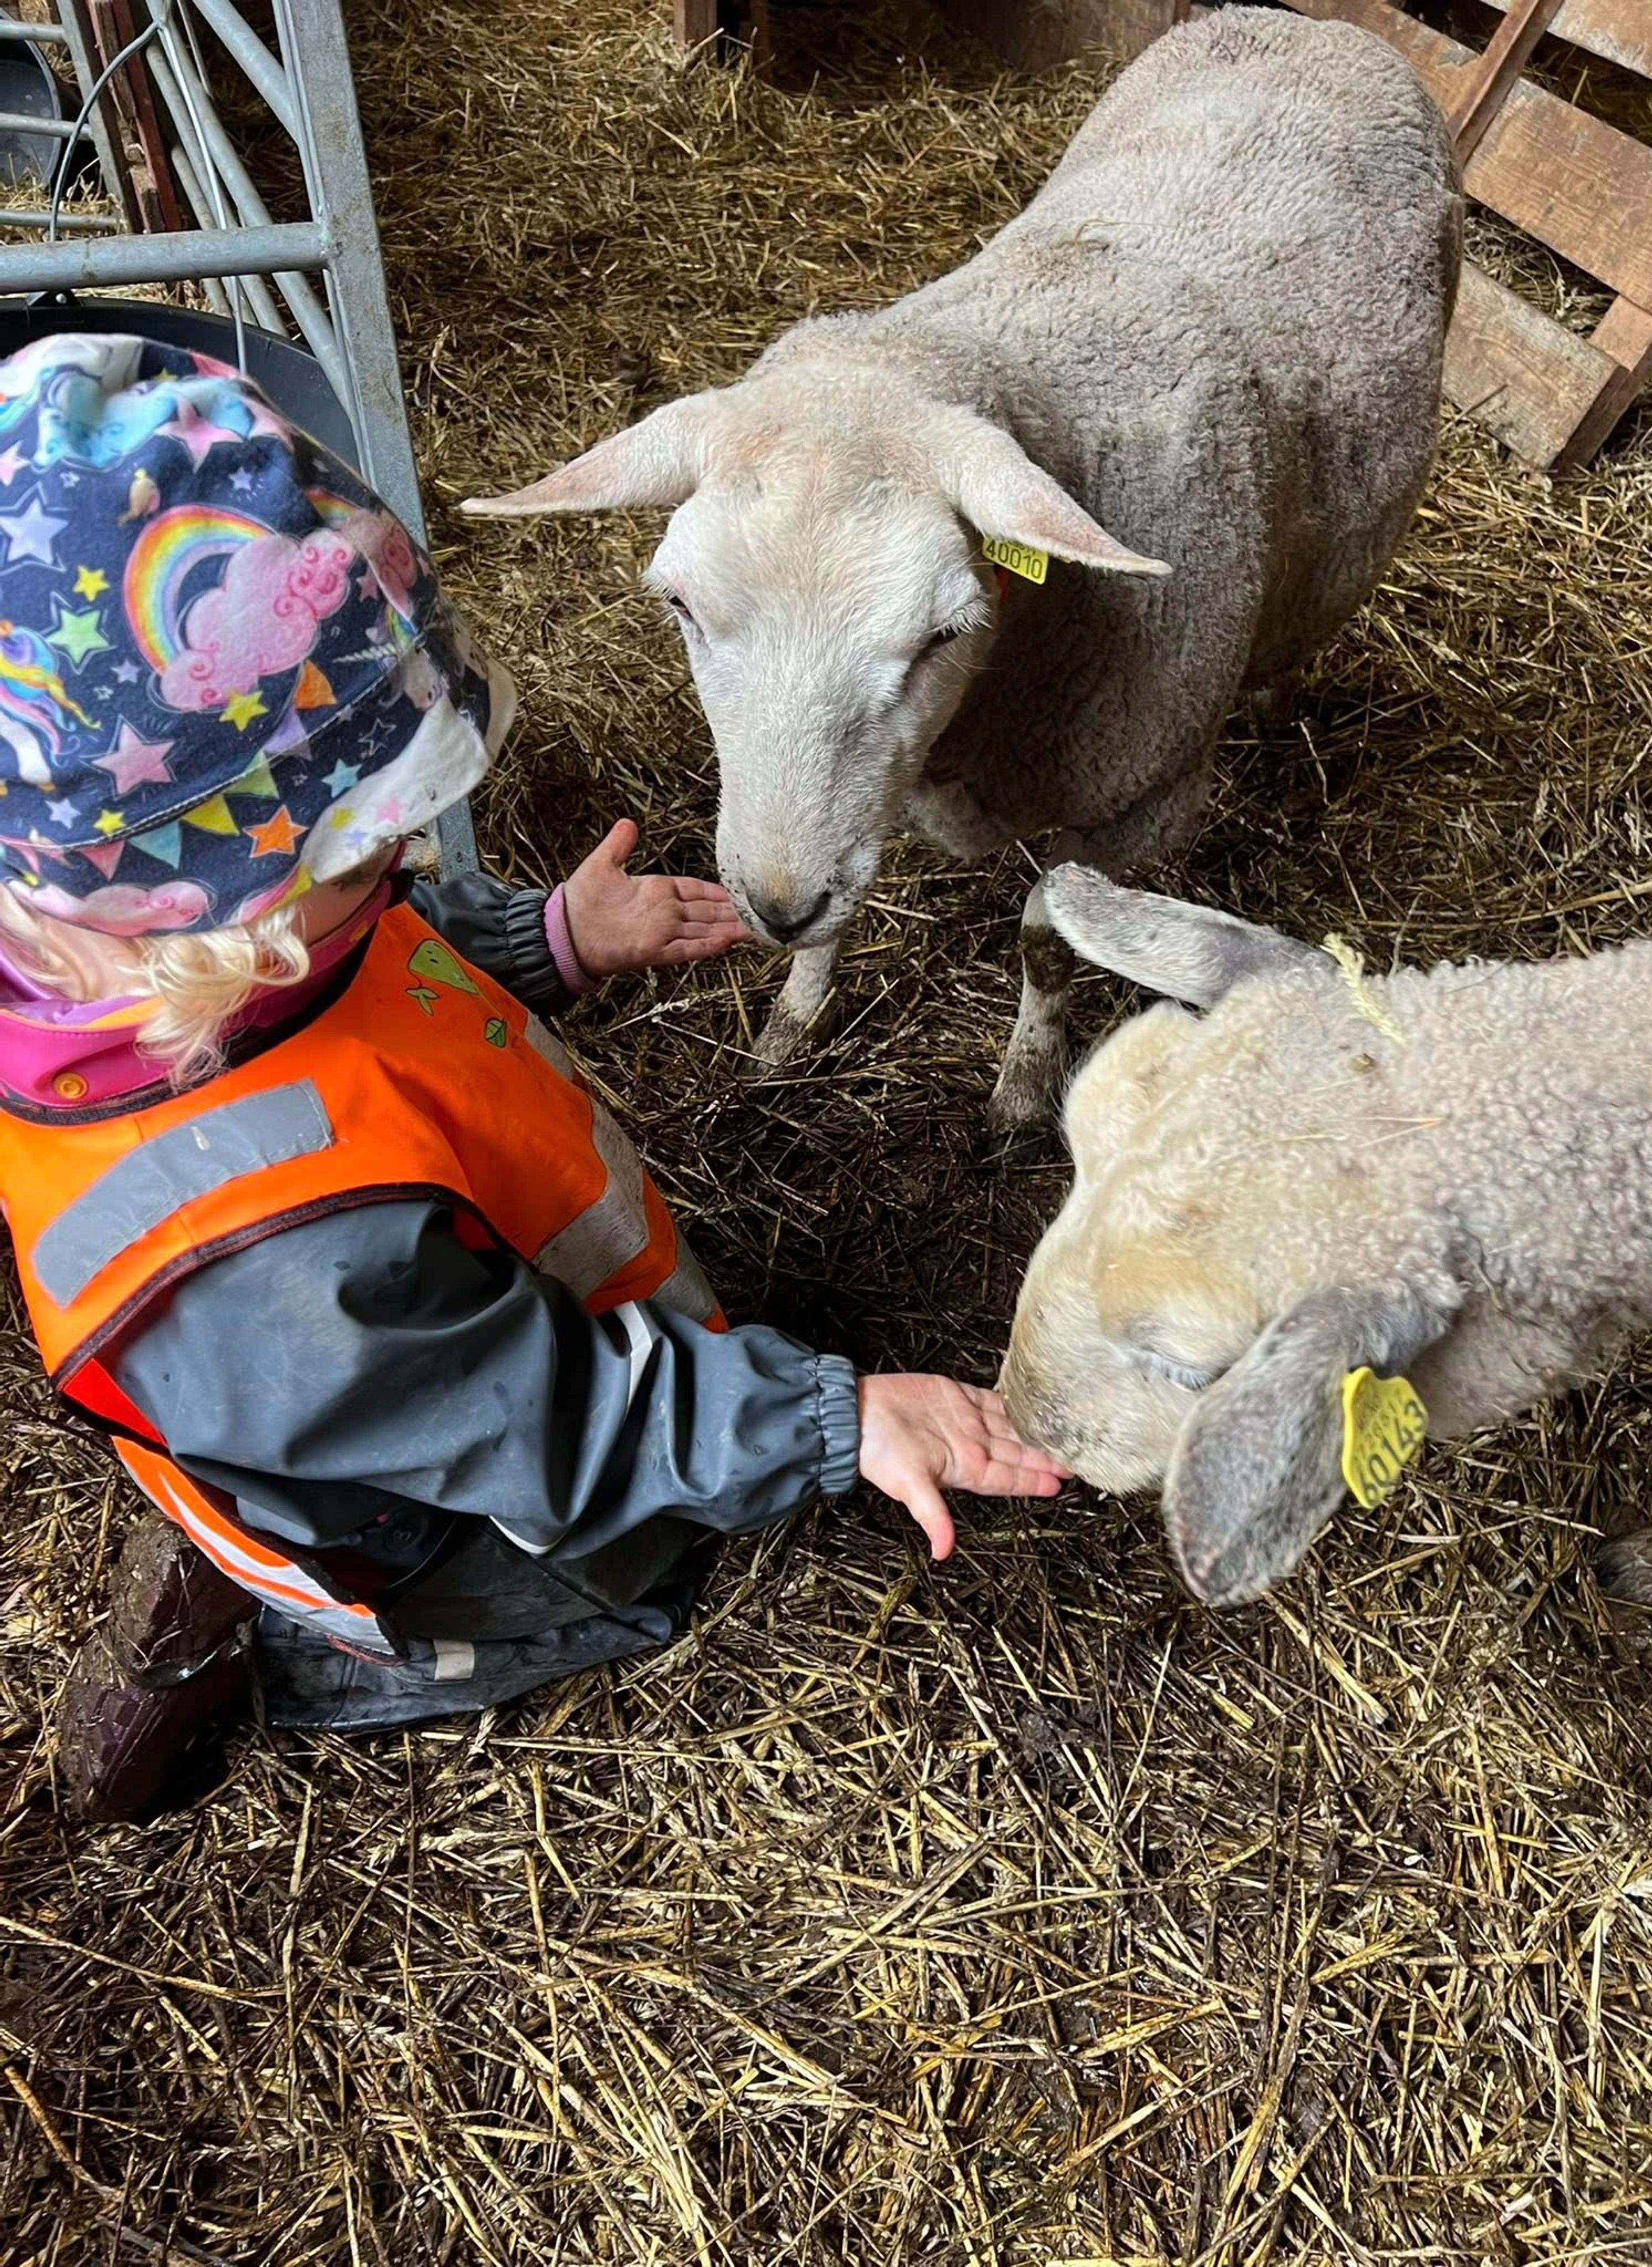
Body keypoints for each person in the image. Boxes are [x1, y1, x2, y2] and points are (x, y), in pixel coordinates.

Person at [0, 335, 1067, 1822]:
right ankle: (351, 1670)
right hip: (434, 1508)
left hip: (421, 1327)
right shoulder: (266, 1276)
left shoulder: (217, 965)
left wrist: (553, 937)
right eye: (363, 840)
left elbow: (384, 973)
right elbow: (559, 1427)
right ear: (200, 913)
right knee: (618, 1581)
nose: (402, 858)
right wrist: (829, 1422)